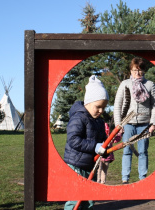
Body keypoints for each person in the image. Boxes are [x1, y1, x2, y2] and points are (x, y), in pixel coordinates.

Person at [64, 75, 109, 210]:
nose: (101, 111)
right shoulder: (79, 118)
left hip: (90, 166)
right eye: (98, 107)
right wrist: (95, 146)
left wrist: (105, 149)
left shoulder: (99, 122)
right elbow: (73, 140)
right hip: (76, 166)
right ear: (88, 102)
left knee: (89, 200)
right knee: (75, 199)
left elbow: (101, 142)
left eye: (103, 108)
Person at [114, 57, 155, 184]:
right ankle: (125, 178)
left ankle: (142, 178)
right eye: (134, 70)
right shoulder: (125, 84)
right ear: (130, 70)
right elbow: (118, 104)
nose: (137, 73)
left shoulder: (150, 85)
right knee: (127, 150)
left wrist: (153, 123)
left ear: (144, 71)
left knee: (143, 151)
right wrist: (119, 124)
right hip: (128, 124)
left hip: (144, 125)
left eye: (140, 71)